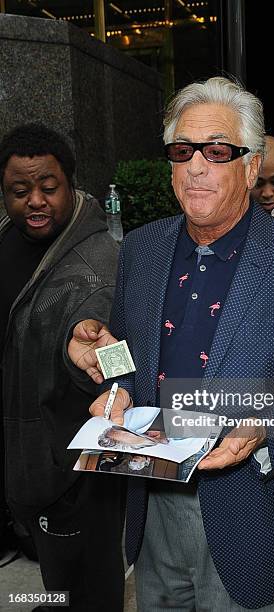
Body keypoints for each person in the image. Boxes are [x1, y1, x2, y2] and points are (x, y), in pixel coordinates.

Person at [70, 77, 274, 611]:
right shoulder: (141, 248)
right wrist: (108, 376)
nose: (196, 166)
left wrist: (265, 426)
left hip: (255, 516)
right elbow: (129, 360)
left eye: (216, 151)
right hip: (153, 507)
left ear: (250, 167)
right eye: (183, 151)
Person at [0, 124, 125, 612]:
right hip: (26, 450)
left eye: (48, 188)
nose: (35, 201)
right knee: (55, 580)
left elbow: (118, 355)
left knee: (89, 586)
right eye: (19, 190)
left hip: (74, 465)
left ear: (69, 184)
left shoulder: (101, 263)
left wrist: (100, 362)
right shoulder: (10, 236)